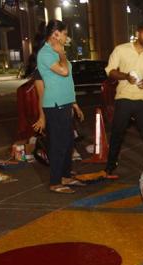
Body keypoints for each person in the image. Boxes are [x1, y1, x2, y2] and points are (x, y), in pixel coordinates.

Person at [33, 20, 85, 194]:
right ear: (55, 34)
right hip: (55, 104)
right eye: (64, 33)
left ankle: (65, 176)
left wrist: (74, 103)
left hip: (65, 103)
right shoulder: (47, 53)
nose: (66, 37)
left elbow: (66, 81)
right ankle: (55, 182)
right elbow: (64, 72)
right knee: (58, 144)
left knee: (69, 143)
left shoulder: (54, 52)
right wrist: (61, 53)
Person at [104, 23, 143, 178]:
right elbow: (110, 71)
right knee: (117, 133)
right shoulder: (121, 49)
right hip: (124, 98)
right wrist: (125, 76)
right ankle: (110, 167)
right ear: (138, 33)